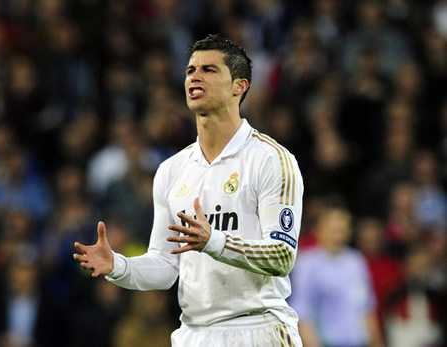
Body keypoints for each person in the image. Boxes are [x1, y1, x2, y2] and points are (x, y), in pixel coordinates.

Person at [73, 34, 304, 347]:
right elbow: (166, 266)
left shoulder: (271, 160)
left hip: (258, 327)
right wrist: (120, 266)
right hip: (194, 334)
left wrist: (214, 241)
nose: (195, 76)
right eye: (190, 70)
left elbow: (282, 255)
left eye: (209, 70)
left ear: (240, 86)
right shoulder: (171, 170)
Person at [289, 202, 383, 347]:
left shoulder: (356, 261)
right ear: (319, 230)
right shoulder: (307, 264)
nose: (338, 234)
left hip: (359, 342)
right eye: (334, 229)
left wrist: (376, 342)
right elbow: (303, 314)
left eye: (342, 229)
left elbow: (367, 308)